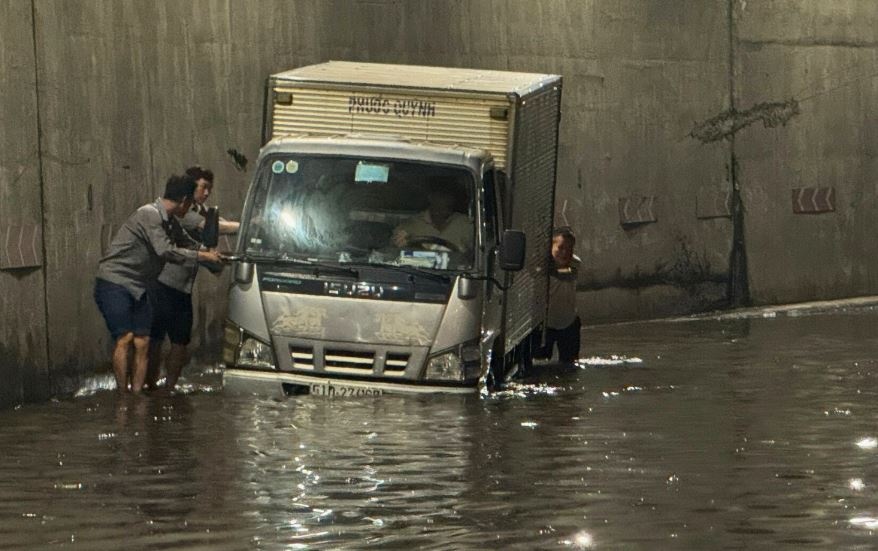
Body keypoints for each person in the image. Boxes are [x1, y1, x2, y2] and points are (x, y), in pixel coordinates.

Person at [94, 175, 225, 393]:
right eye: (190, 204)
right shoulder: (149, 215)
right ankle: (123, 395)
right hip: (115, 280)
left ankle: (137, 395)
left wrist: (211, 255)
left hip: (139, 285)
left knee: (143, 341)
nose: (191, 209)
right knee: (125, 337)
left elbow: (188, 243)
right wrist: (203, 257)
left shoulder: (171, 222)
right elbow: (165, 250)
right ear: (183, 200)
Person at [145, 166, 239, 390]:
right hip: (164, 283)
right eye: (202, 187)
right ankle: (149, 385)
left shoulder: (204, 210)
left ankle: (168, 388)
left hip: (184, 288)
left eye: (209, 188)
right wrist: (248, 226)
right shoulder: (183, 210)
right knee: (155, 339)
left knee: (180, 341)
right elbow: (211, 227)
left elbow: (214, 233)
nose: (206, 193)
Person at [534, 227, 582, 365]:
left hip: (568, 322)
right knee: (539, 364)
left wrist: (546, 269)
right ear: (550, 247)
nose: (565, 253)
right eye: (560, 248)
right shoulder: (538, 264)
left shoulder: (575, 263)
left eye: (569, 248)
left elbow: (565, 274)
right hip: (544, 323)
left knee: (570, 365)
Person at [391, 188, 472, 252]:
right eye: (440, 195)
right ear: (431, 197)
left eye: (448, 195)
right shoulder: (411, 224)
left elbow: (477, 253)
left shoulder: (464, 223)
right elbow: (393, 248)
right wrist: (400, 242)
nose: (444, 199)